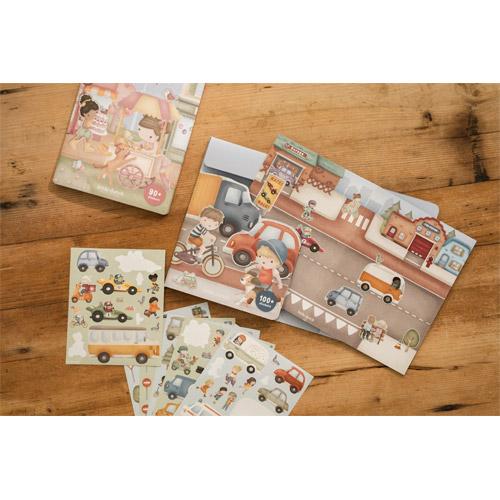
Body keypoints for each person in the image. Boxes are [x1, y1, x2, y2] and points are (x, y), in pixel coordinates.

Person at [241, 239, 287, 305]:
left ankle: (279, 299)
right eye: (261, 257)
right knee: (260, 293)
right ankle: (249, 300)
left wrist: (280, 284)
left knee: (259, 293)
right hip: (259, 282)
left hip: (265, 285)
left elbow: (278, 277)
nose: (264, 261)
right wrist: (248, 268)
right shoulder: (261, 266)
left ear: (277, 263)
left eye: (271, 261)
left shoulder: (274, 271)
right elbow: (255, 266)